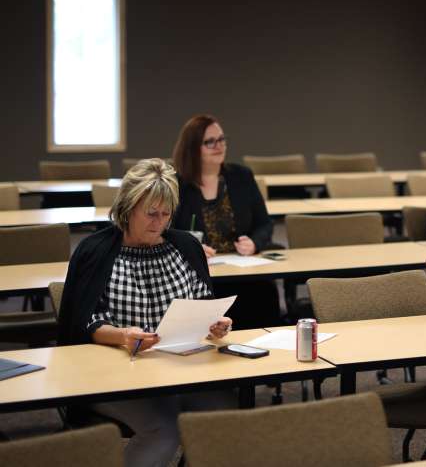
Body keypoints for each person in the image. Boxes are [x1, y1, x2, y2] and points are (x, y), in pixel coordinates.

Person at [57, 158, 234, 467]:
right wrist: (123, 335)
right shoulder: (95, 252)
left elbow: (204, 301)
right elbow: (85, 322)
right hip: (116, 373)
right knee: (163, 430)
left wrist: (214, 324)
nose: (159, 222)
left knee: (223, 420)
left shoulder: (185, 247)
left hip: (178, 369)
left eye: (166, 214)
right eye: (151, 214)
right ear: (127, 208)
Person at [172, 115, 282, 328]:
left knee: (264, 292)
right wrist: (191, 248)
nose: (219, 146)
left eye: (221, 139)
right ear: (192, 147)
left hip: (243, 271)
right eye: (210, 142)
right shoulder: (178, 184)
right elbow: (165, 232)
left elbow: (264, 224)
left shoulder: (241, 176)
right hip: (200, 277)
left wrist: (255, 243)